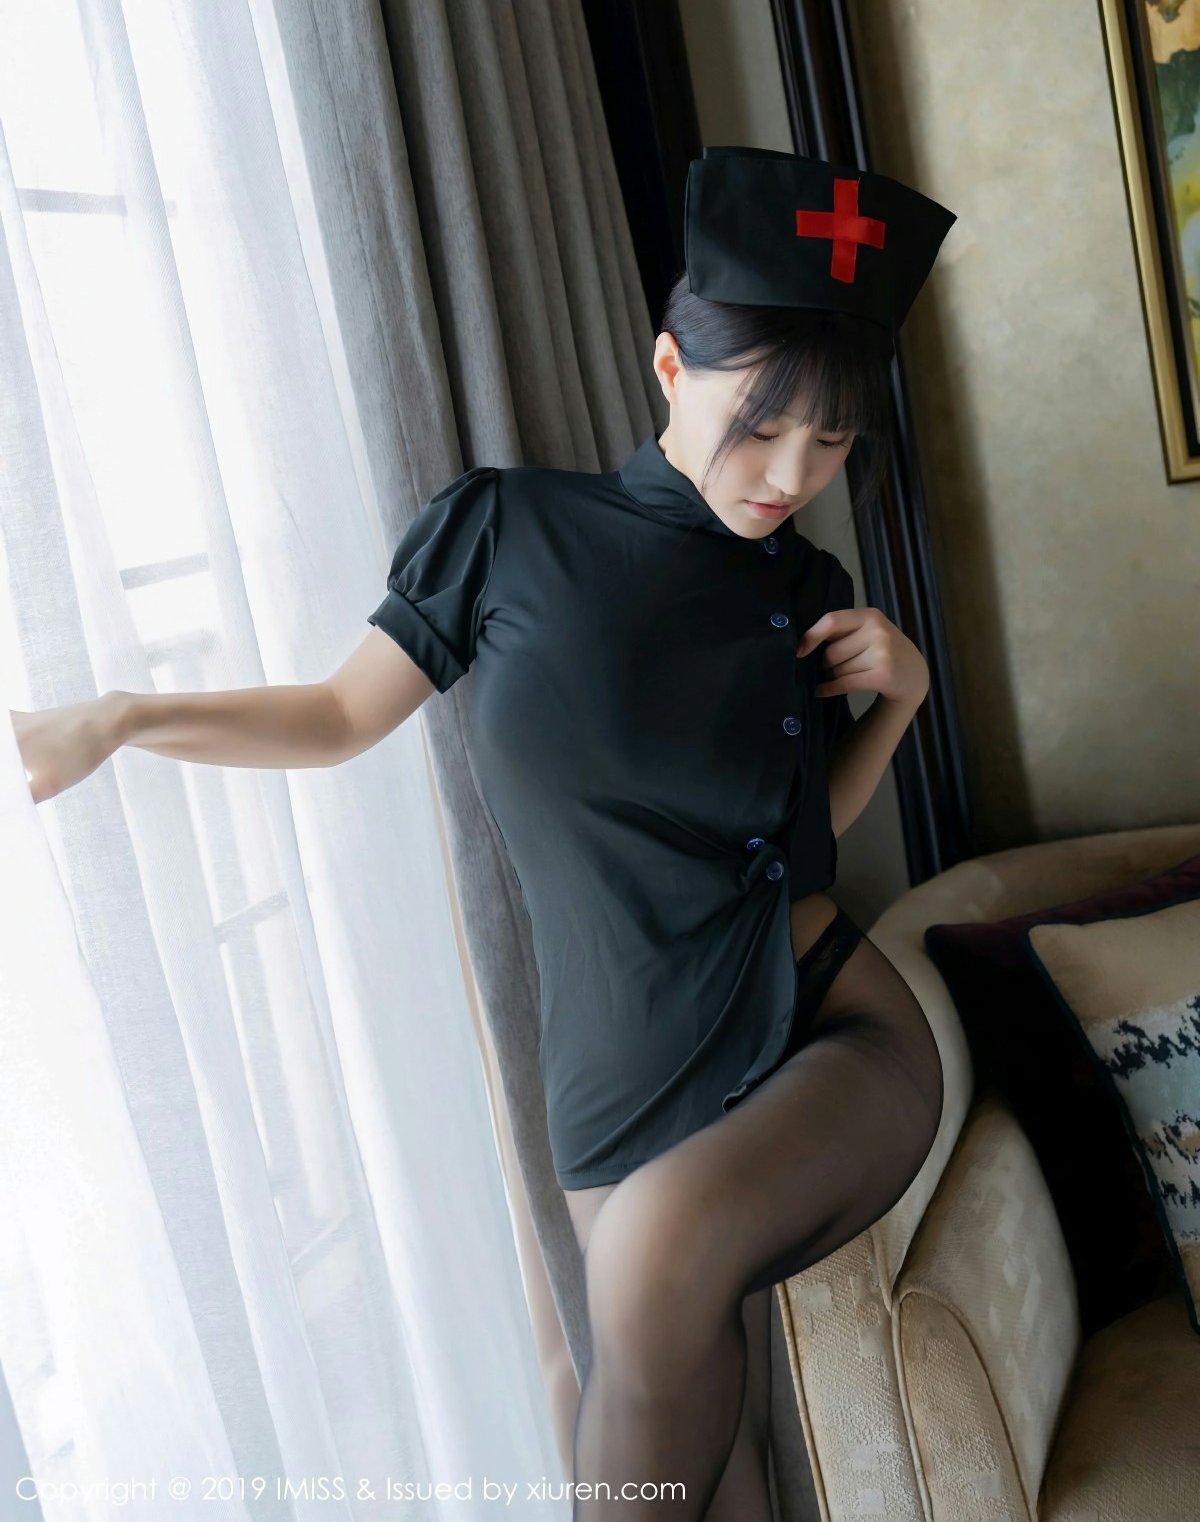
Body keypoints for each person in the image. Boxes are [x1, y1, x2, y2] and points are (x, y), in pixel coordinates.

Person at [12, 146, 955, 1519]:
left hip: (828, 1028)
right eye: (762, 425)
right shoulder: (505, 531)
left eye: (834, 442)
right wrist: (120, 717)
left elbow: (793, 838)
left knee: (652, 1277)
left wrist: (902, 704)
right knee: (717, 1453)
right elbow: (338, 716)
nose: (791, 472)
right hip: (617, 1068)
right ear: (669, 368)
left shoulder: (803, 591)